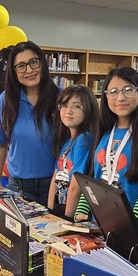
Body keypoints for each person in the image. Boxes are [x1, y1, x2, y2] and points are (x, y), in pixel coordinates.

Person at [74, 66, 138, 239]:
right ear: (106, 96)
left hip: (129, 228)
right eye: (113, 91)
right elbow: (94, 179)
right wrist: (81, 212)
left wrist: (128, 222)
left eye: (128, 90)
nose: (120, 97)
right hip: (97, 223)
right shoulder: (105, 131)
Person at [0, 40, 59, 203]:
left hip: (54, 185)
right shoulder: (6, 100)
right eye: (21, 66)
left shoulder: (60, 98)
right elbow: (0, 143)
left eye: (33, 62)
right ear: (14, 71)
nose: (29, 70)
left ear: (42, 63)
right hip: (18, 186)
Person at [48, 84, 98, 218]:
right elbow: (55, 177)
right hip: (59, 206)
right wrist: (49, 212)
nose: (68, 111)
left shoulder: (84, 139)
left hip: (73, 211)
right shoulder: (66, 141)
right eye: (64, 105)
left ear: (88, 110)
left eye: (76, 106)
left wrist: (67, 219)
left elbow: (76, 186)